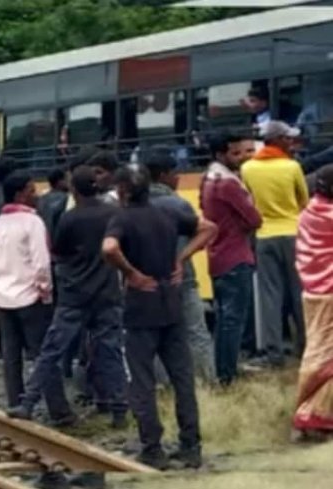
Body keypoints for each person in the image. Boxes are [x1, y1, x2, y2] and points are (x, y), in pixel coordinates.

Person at [102, 164, 217, 469]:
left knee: (142, 379)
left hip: (140, 306)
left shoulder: (122, 218)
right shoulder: (167, 213)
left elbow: (110, 247)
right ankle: (191, 445)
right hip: (172, 302)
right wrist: (181, 258)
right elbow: (209, 228)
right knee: (182, 377)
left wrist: (131, 273)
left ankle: (152, 447)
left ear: (123, 191)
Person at [8, 166, 126, 428]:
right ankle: (118, 409)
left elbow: (58, 252)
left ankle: (28, 403)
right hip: (107, 292)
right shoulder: (114, 214)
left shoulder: (70, 218)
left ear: (73, 189)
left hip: (74, 295)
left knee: (52, 350)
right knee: (110, 351)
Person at [241, 120, 310, 367]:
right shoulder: (292, 167)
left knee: (270, 296)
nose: (291, 142)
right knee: (298, 292)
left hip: (264, 236)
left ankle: (274, 353)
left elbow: (248, 201)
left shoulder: (248, 168)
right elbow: (303, 201)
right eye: (288, 138)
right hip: (294, 234)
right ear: (277, 140)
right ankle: (305, 347)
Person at [145, 148, 216, 382]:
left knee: (155, 335)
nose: (178, 178)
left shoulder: (135, 204)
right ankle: (207, 381)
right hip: (182, 277)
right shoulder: (176, 204)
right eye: (175, 173)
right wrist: (182, 257)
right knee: (196, 332)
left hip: (148, 281)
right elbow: (206, 231)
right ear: (164, 175)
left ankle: (164, 385)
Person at [0, 170, 53, 410]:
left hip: (3, 298)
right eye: (32, 190)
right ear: (20, 194)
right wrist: (45, 292)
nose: (37, 195)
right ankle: (56, 408)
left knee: (11, 357)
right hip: (30, 297)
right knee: (43, 355)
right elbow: (42, 263)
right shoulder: (32, 222)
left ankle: (15, 401)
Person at [201, 132, 262, 385]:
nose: (241, 158)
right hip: (236, 254)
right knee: (234, 320)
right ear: (220, 155)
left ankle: (224, 370)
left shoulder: (207, 179)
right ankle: (228, 373)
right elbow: (255, 219)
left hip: (217, 255)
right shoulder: (228, 183)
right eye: (235, 153)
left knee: (225, 318)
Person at [294, 164, 333, 438]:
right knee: (325, 356)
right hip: (331, 293)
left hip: (311, 291)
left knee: (318, 350)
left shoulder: (309, 211)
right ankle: (312, 414)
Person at [36, 168, 69, 234]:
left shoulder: (40, 199)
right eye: (66, 179)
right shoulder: (67, 199)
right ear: (60, 181)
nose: (68, 182)